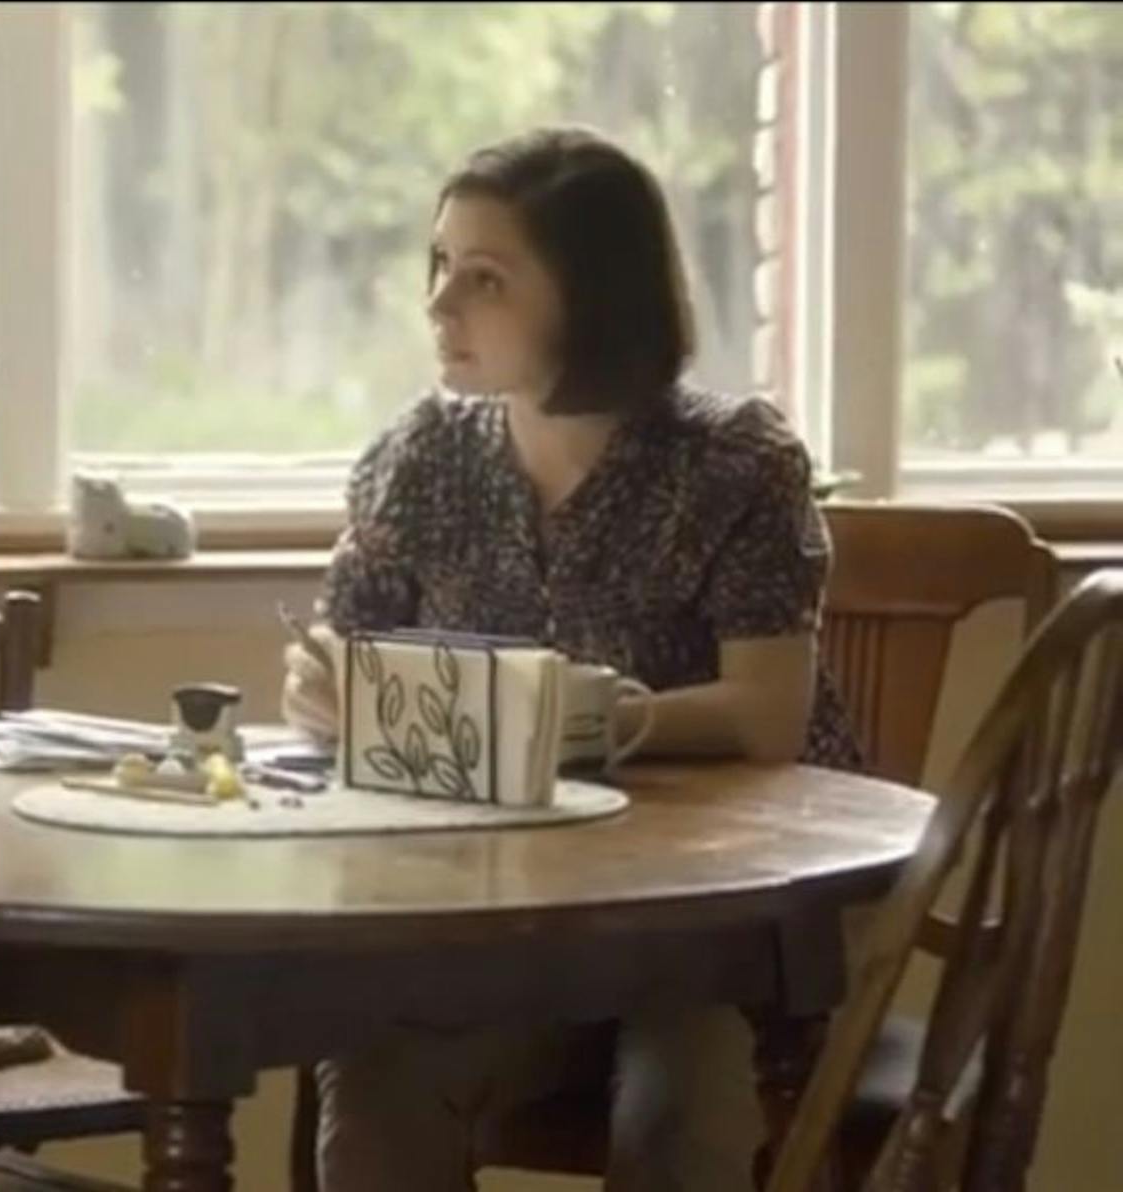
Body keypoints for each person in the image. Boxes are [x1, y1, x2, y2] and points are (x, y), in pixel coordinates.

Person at [280, 127, 861, 1191]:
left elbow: (769, 718)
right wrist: (326, 698)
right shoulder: (418, 458)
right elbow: (341, 665)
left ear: (594, 294)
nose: (441, 303)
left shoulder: (735, 461)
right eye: (439, 267)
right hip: (495, 933)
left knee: (681, 1117)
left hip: (718, 933)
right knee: (377, 1078)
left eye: (485, 277)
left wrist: (554, 719)